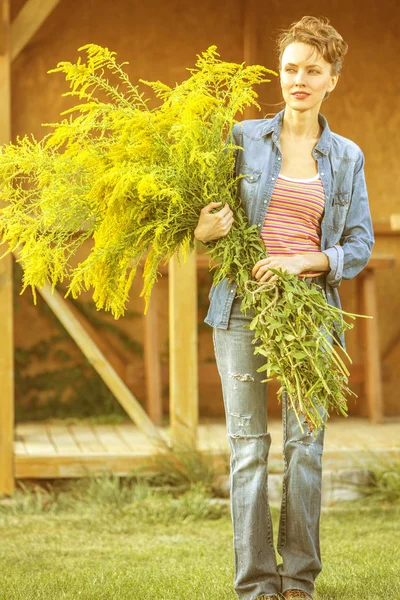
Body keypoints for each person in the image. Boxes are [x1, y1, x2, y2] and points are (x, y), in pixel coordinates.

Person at [193, 15, 374, 600]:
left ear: (332, 80)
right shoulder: (243, 139)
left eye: (312, 71)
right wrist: (201, 231)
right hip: (243, 309)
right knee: (247, 449)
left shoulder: (346, 156)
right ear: (281, 71)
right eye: (291, 68)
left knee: (305, 450)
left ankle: (297, 581)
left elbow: (358, 244)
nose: (299, 79)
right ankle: (255, 587)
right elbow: (204, 219)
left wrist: (302, 263)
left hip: (310, 313)